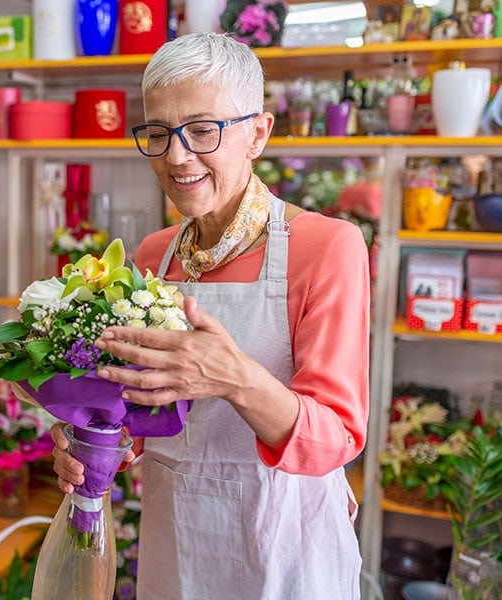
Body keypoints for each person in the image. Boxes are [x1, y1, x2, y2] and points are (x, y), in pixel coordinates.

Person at [51, 32, 370, 599]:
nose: (177, 156)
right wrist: (96, 438)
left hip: (285, 555)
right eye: (158, 133)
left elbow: (336, 439)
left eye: (202, 130)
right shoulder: (153, 255)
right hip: (178, 548)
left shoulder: (326, 247)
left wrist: (236, 378)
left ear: (258, 133)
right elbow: (145, 421)